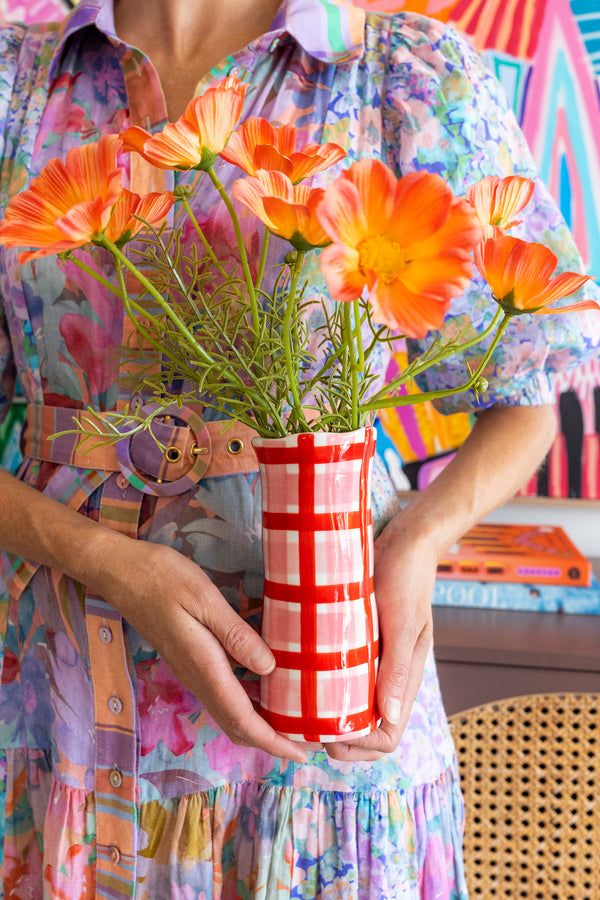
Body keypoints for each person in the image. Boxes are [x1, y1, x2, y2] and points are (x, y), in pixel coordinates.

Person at [0, 0, 596, 897]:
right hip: (60, 695)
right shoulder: (15, 82)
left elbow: (524, 402)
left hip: (328, 687)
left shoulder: (400, 74)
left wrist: (415, 544)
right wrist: (101, 559)